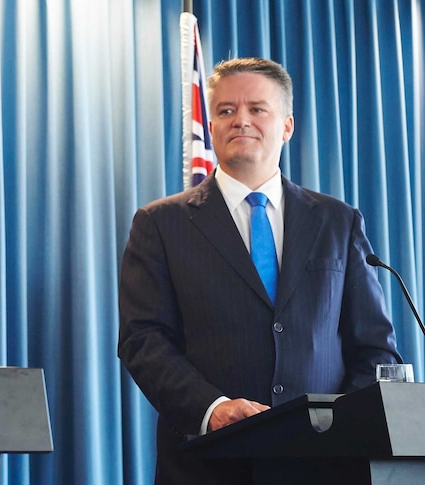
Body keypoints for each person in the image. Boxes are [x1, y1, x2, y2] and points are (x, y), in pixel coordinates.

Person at [118, 57, 401, 484]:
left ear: (287, 125)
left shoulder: (339, 222)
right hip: (206, 466)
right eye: (226, 111)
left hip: (325, 468)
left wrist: (338, 426)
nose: (240, 121)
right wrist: (211, 409)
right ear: (210, 125)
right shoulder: (159, 224)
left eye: (257, 109)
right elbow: (143, 340)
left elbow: (375, 348)